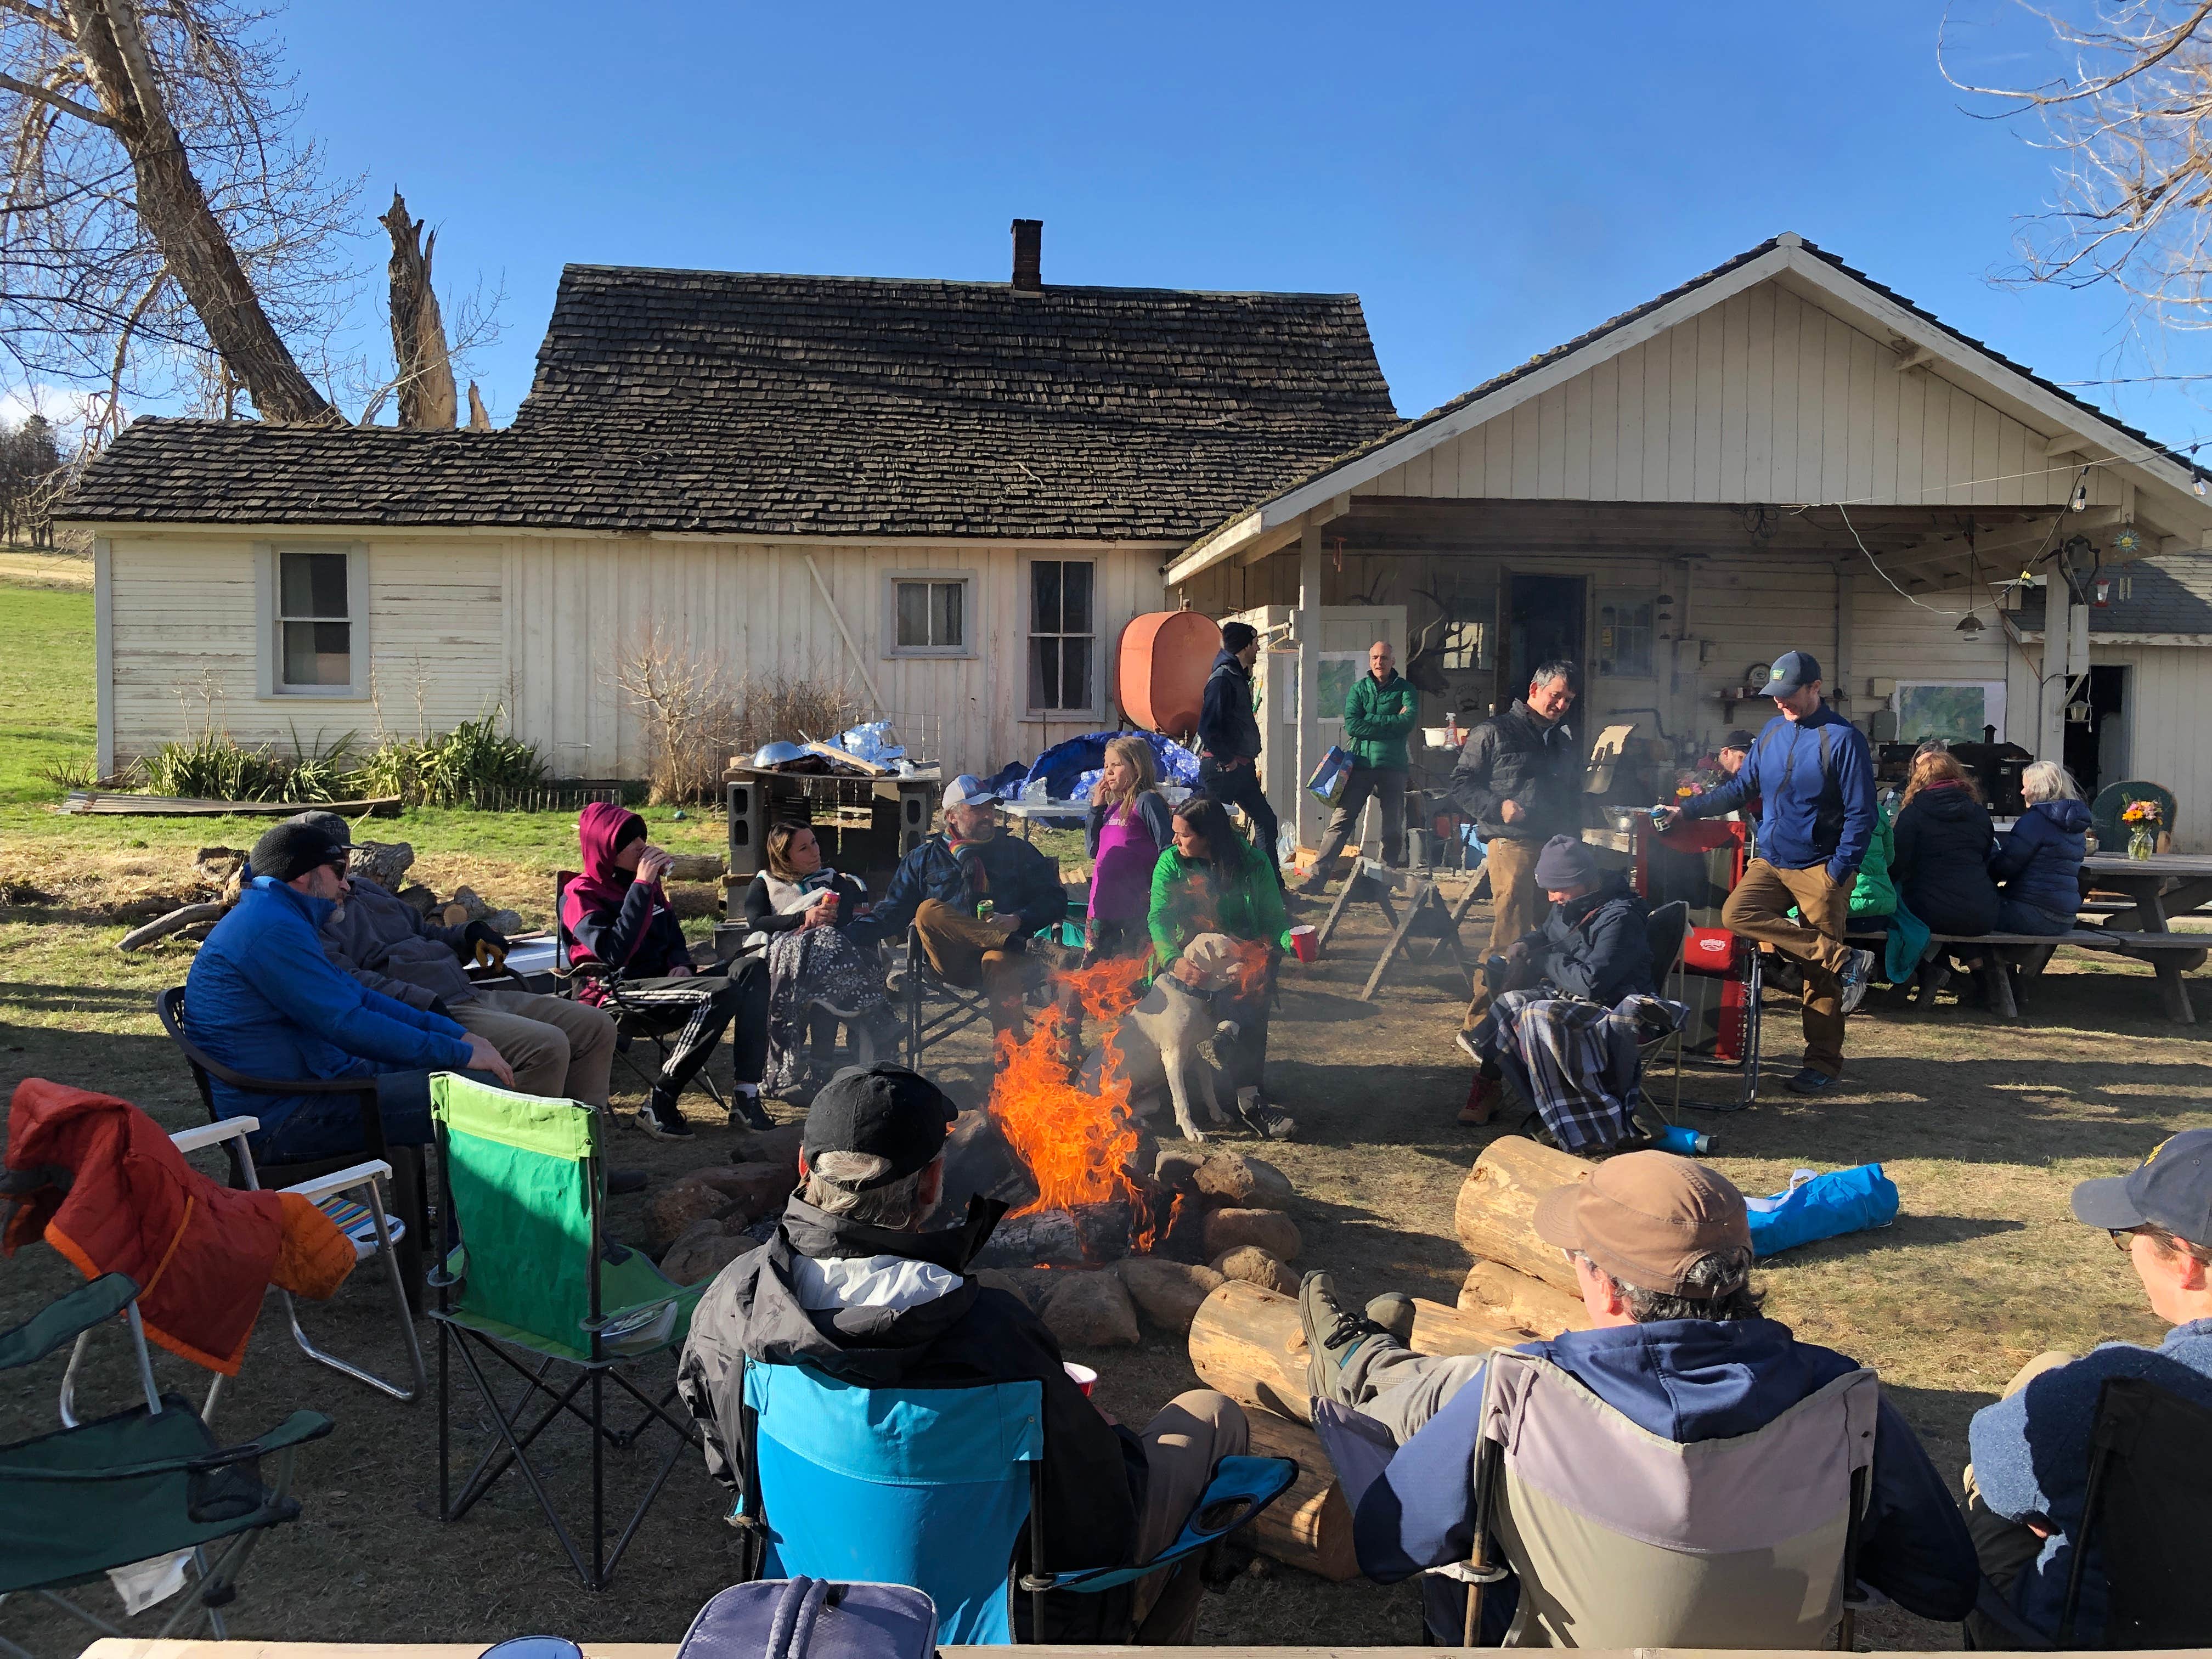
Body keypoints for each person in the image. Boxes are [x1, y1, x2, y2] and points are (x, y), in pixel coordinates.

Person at [675, 1063, 1251, 1643]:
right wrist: (1108, 1441)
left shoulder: (739, 1297)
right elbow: (1098, 1520)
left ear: (804, 1166)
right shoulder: (990, 1334)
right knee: (1211, 1416)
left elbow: (731, 1460)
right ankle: (1145, 1648)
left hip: (816, 1595)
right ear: (932, 1186)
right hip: (1003, 1620)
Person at [1298, 1154, 1979, 1640]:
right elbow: (1945, 1587)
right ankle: (1364, 1365)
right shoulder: (1845, 1401)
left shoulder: (1519, 1392)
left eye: (1577, 1259)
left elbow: (1388, 1547)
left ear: (1611, 1288)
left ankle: (1355, 1371)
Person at [1964, 1129, 2212, 1646]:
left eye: (2127, 1234)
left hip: (2103, 1636)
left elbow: (1998, 1469)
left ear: (2186, 1262)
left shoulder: (2118, 1388)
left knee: (1997, 1484)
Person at [183, 820, 511, 1162]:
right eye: (337, 870)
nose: (345, 884)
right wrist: (458, 1053)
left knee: (469, 1076)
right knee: (480, 1092)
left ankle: (446, 1214)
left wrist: (458, 1036)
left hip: (311, 1085)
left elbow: (358, 996)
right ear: (300, 874)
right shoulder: (272, 929)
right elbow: (347, 1023)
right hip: (282, 1117)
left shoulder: (275, 915)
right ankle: (473, 1216)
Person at [1656, 650, 1877, 1094]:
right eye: (1775, 697)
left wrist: (1839, 870)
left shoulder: (1843, 739)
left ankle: (1823, 1063)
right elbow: (1741, 788)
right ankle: (1843, 956)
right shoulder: (1773, 732)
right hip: (1773, 860)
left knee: (1820, 977)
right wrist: (1687, 811)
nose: (1781, 704)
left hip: (1821, 866)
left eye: (1789, 695)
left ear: (1815, 688)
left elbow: (1862, 814)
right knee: (1737, 914)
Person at [291, 811, 618, 1109]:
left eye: (346, 854)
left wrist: (469, 934)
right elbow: (351, 984)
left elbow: (423, 932)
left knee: (596, 1025)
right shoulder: (307, 917)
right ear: (305, 869)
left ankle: (589, 1160)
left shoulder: (366, 890)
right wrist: (424, 1004)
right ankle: (531, 1165)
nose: (344, 865)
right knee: (546, 1046)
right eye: (334, 860)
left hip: (471, 994)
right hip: (432, 1012)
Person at [563, 802, 772, 1138]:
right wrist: (642, 887)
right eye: (629, 841)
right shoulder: (581, 894)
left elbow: (673, 936)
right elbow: (614, 953)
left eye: (641, 837)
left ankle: (746, 1094)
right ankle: (659, 1100)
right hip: (616, 990)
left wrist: (680, 964)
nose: (641, 845)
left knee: (752, 969)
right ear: (606, 849)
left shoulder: (649, 887)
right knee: (720, 992)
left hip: (666, 986)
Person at [1462, 834, 1662, 1147]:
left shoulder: (1620, 918)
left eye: (1557, 889)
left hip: (1615, 1007)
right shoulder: (1571, 902)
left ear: (1583, 881)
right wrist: (1525, 944)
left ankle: (1569, 1114)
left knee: (1534, 1014)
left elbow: (1592, 983)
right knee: (1508, 1004)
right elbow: (1547, 933)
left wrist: (1542, 961)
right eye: (1549, 889)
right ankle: (1510, 1092)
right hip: (1575, 997)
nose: (1552, 897)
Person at [846, 775, 1070, 1041]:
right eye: (976, 809)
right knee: (928, 911)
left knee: (997, 962)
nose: (988, 816)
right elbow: (890, 915)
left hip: (1005, 957)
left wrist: (1018, 919)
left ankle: (1011, 1064)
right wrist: (844, 935)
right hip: (951, 960)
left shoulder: (1016, 851)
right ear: (951, 816)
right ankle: (1018, 944)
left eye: (990, 808)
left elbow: (1055, 899)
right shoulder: (924, 859)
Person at [1447, 661, 1582, 1054]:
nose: (1560, 704)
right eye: (1556, 695)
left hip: (1553, 847)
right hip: (1512, 846)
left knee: (1547, 935)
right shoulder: (1494, 731)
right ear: (1534, 689)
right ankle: (1480, 1025)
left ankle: (1526, 1025)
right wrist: (1496, 806)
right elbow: (1460, 783)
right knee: (1510, 936)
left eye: (1568, 700)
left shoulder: (1562, 740)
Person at [1147, 795, 1295, 1138]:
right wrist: (1172, 959)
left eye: (1183, 835)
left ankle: (1250, 1100)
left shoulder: (1254, 863)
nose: (1174, 841)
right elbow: (1159, 917)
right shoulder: (1171, 863)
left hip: (1242, 956)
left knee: (1253, 989)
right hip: (1189, 960)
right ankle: (1223, 1037)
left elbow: (1274, 922)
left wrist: (1293, 942)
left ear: (1210, 836)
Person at [741, 822, 887, 1103]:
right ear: (784, 857)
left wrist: (829, 916)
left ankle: (819, 1075)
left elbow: (848, 916)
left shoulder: (831, 880)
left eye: (815, 843)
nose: (815, 852)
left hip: (831, 967)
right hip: (787, 965)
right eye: (803, 848)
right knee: (823, 960)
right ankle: (876, 1015)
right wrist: (802, 919)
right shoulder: (765, 883)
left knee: (826, 969)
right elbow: (756, 922)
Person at [1296, 639, 1417, 892]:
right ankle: (1317, 879)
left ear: (1392, 662)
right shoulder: (1359, 689)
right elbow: (1353, 725)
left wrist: (1371, 722)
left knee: (1393, 827)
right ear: (1369, 661)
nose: (1379, 663)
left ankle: (1382, 885)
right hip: (1360, 764)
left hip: (1392, 766)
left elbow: (1407, 723)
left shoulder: (1406, 689)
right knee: (1341, 822)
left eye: (1384, 658)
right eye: (1374, 658)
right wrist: (1390, 721)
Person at [1195, 620, 1282, 885]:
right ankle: (1208, 887)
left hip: (1240, 768)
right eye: (1255, 644)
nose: (1257, 649)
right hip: (1223, 770)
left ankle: (1271, 885)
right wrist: (1228, 760)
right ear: (1245, 646)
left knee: (1266, 820)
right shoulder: (1223, 679)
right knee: (1212, 831)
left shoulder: (1236, 676)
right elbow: (1207, 728)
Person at [1890, 748, 2000, 939]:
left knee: (1894, 913)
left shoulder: (1913, 814)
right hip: (1982, 913)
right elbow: (1986, 856)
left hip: (1928, 910)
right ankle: (1975, 963)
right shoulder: (1979, 813)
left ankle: (1930, 967)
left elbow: (1898, 864)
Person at [1084, 735, 1175, 960]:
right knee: (1096, 977)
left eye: (1116, 765)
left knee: (1130, 975)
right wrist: (1096, 809)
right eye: (1106, 766)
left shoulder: (1147, 802)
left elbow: (1168, 849)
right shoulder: (1112, 808)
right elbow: (1092, 850)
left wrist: (1160, 895)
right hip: (1101, 909)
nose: (1109, 772)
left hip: (1133, 910)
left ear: (1136, 767)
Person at [1989, 759, 2090, 937]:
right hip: (2065, 918)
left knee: (1966, 914)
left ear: (2037, 789)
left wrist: (1991, 851)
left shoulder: (2034, 822)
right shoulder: (2076, 827)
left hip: (2032, 912)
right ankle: (1999, 964)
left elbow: (2004, 868)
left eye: (2025, 787)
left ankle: (1985, 965)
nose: (2022, 792)